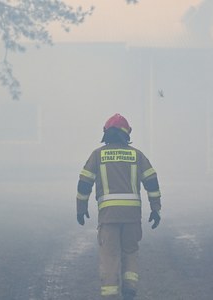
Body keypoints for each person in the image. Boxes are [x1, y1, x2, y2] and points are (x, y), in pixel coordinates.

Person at [76, 113, 162, 300]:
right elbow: (152, 182)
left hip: (108, 217)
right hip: (132, 217)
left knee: (110, 256)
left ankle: (110, 295)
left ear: (106, 133)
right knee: (130, 252)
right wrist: (156, 208)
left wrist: (81, 208)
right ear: (126, 134)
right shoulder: (137, 155)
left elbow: (84, 183)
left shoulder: (97, 155)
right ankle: (129, 290)